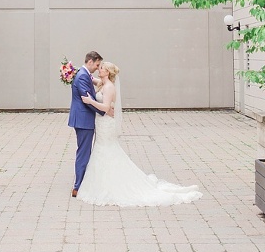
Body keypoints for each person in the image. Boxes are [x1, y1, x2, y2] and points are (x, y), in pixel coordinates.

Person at [77, 61, 203, 206]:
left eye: (101, 68)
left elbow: (105, 107)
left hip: (106, 125)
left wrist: (90, 101)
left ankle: (112, 183)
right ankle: (102, 182)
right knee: (102, 149)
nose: (98, 69)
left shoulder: (109, 87)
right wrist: (74, 71)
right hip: (101, 124)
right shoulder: (102, 83)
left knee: (106, 150)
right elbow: (89, 77)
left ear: (107, 72)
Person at [67, 51, 105, 198]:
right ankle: (78, 186)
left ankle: (81, 183)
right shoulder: (82, 75)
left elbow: (92, 80)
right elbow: (86, 99)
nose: (97, 68)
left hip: (83, 119)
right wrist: (104, 111)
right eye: (97, 64)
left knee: (84, 151)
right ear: (90, 62)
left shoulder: (84, 73)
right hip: (83, 120)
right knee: (83, 152)